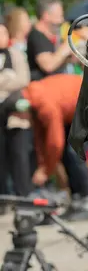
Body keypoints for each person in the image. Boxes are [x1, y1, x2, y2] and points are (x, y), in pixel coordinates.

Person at [19, 74, 88, 221]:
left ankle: (84, 203)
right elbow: (41, 140)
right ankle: (76, 200)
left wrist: (46, 171)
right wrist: (42, 166)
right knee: (66, 152)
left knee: (74, 151)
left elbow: (55, 143)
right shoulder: (34, 102)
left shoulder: (44, 104)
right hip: (72, 110)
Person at [0, 23, 32, 205]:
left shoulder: (17, 55)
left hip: (15, 115)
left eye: (3, 32)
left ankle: (23, 197)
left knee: (19, 156)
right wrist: (8, 78)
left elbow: (23, 79)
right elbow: (13, 79)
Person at [27, 0, 72, 81]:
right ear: (46, 16)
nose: (62, 20)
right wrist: (66, 47)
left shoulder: (52, 35)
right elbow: (48, 66)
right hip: (43, 89)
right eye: (59, 16)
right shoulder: (36, 36)